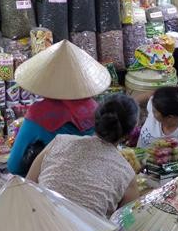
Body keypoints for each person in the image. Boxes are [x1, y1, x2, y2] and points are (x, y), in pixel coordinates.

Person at [7, 40, 111, 177]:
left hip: (49, 185)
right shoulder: (96, 109)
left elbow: (14, 166)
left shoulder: (39, 114)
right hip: (90, 180)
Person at [26, 94, 140, 217]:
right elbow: (125, 223)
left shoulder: (58, 142)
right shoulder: (127, 175)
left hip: (36, 224)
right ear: (129, 134)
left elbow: (26, 186)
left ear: (96, 118)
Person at [138, 84, 178, 174]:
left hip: (164, 178)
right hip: (138, 168)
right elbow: (149, 95)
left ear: (169, 117)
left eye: (155, 111)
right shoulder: (156, 104)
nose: (152, 111)